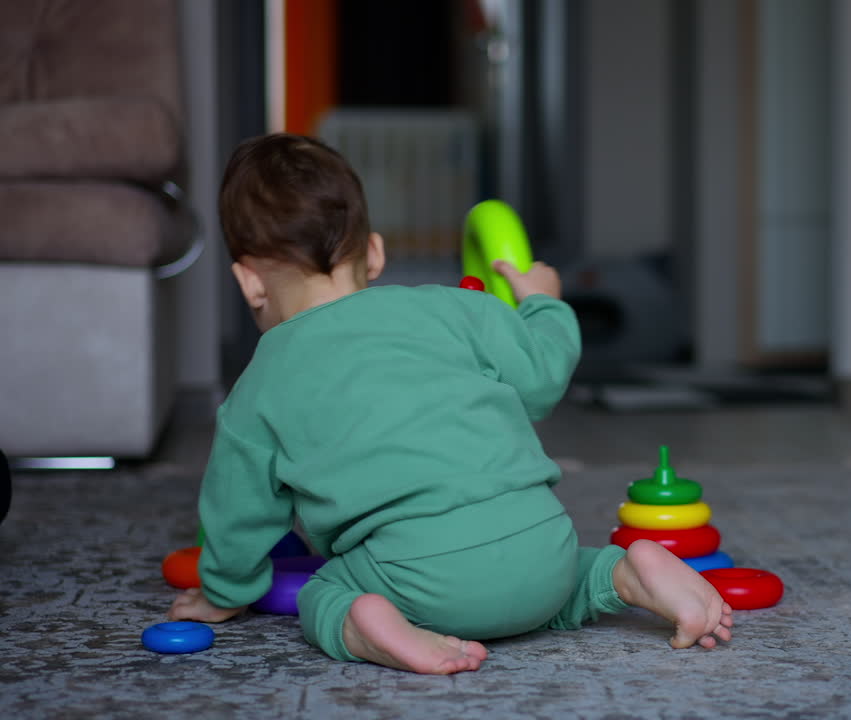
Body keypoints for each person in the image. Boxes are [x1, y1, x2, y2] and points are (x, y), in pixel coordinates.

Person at [167, 133, 732, 674]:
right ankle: (632, 571)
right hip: (542, 553)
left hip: (419, 583)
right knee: (570, 578)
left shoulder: (261, 385)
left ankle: (369, 624)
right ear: (376, 252)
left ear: (249, 283)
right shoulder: (457, 310)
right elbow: (540, 378)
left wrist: (224, 592)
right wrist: (543, 306)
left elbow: (239, 512)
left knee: (324, 591)